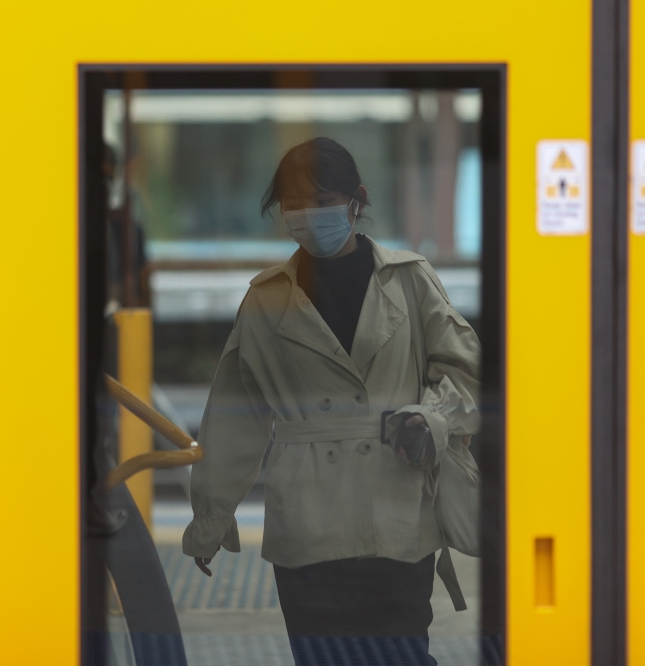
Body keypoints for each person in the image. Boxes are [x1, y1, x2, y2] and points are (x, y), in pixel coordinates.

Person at [181, 137, 481, 666]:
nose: (306, 214)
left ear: (356, 201)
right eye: (292, 204)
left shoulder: (408, 280)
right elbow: (235, 416)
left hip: (396, 511)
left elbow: (468, 373)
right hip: (308, 524)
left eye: (321, 200)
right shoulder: (266, 298)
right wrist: (210, 517)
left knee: (403, 656)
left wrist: (432, 419)